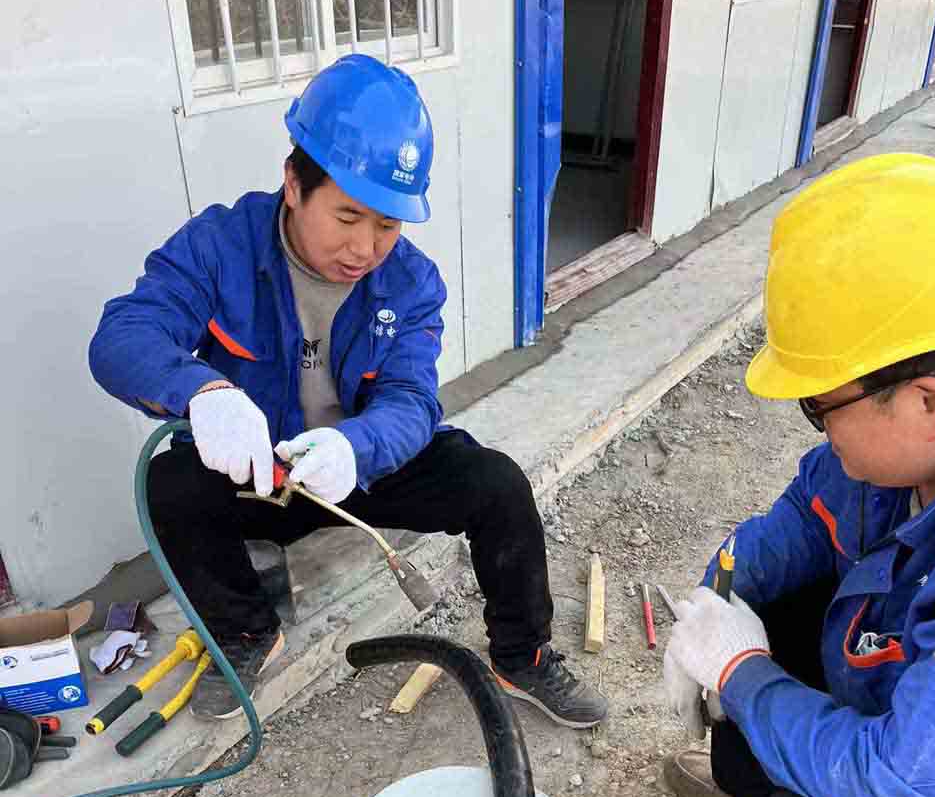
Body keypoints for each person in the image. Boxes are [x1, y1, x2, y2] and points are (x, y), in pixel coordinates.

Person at [90, 54, 606, 728]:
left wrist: (355, 446)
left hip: (355, 470)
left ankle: (523, 655)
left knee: (497, 484)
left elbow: (411, 402)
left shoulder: (412, 284)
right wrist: (203, 390)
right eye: (348, 216)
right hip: (261, 473)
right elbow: (122, 335)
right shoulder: (221, 246)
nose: (365, 248)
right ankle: (247, 631)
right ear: (294, 184)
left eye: (388, 225)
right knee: (170, 484)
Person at [661, 153, 935, 797]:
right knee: (767, 607)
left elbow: (902, 790)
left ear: (928, 402)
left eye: (821, 406)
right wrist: (720, 594)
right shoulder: (929, 438)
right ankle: (786, 789)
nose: (816, 424)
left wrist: (743, 675)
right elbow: (810, 516)